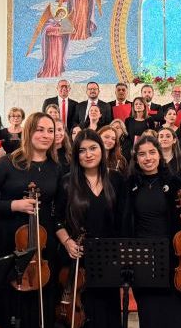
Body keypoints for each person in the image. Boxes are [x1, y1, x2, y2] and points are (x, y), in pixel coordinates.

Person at [0, 113, 63, 328]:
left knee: (38, 305)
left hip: (41, 243)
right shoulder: (7, 163)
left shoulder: (56, 168)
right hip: (8, 241)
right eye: (40, 129)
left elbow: (59, 209)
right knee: (7, 304)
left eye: (50, 130)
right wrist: (13, 205)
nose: (46, 135)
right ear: (28, 131)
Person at [56, 129, 123, 328]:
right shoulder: (67, 182)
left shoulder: (117, 179)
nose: (88, 154)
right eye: (82, 150)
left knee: (107, 315)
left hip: (109, 259)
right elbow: (57, 220)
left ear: (102, 150)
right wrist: (67, 242)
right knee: (81, 315)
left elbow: (124, 219)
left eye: (93, 148)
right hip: (78, 258)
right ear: (76, 155)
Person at [120, 136, 181, 328]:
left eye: (152, 152)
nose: (147, 158)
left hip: (171, 258)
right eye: (142, 154)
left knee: (173, 315)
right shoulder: (130, 185)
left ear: (159, 154)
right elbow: (124, 221)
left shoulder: (175, 183)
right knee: (148, 314)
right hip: (141, 258)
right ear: (136, 158)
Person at [36, 6, 68, 78]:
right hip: (52, 41)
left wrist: (65, 28)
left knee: (58, 56)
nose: (61, 16)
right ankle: (50, 71)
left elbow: (69, 30)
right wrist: (58, 28)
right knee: (52, 56)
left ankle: (56, 72)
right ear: (57, 13)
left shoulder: (63, 22)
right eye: (61, 14)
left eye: (63, 15)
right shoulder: (50, 20)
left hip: (59, 41)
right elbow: (46, 28)